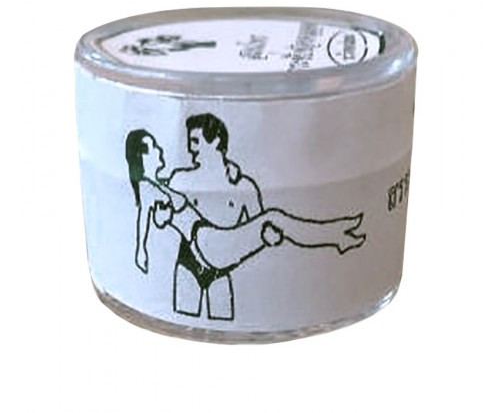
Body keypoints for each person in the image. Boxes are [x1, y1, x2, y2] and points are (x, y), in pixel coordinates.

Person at [125, 117, 366, 321]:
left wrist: (266, 238)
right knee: (273, 218)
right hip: (199, 249)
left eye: (196, 142)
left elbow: (253, 220)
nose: (189, 149)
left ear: (215, 141)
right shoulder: (158, 185)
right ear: (141, 157)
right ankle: (336, 235)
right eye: (153, 147)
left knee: (271, 220)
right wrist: (142, 249)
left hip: (213, 246)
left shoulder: (233, 184)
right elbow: (146, 217)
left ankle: (336, 235)